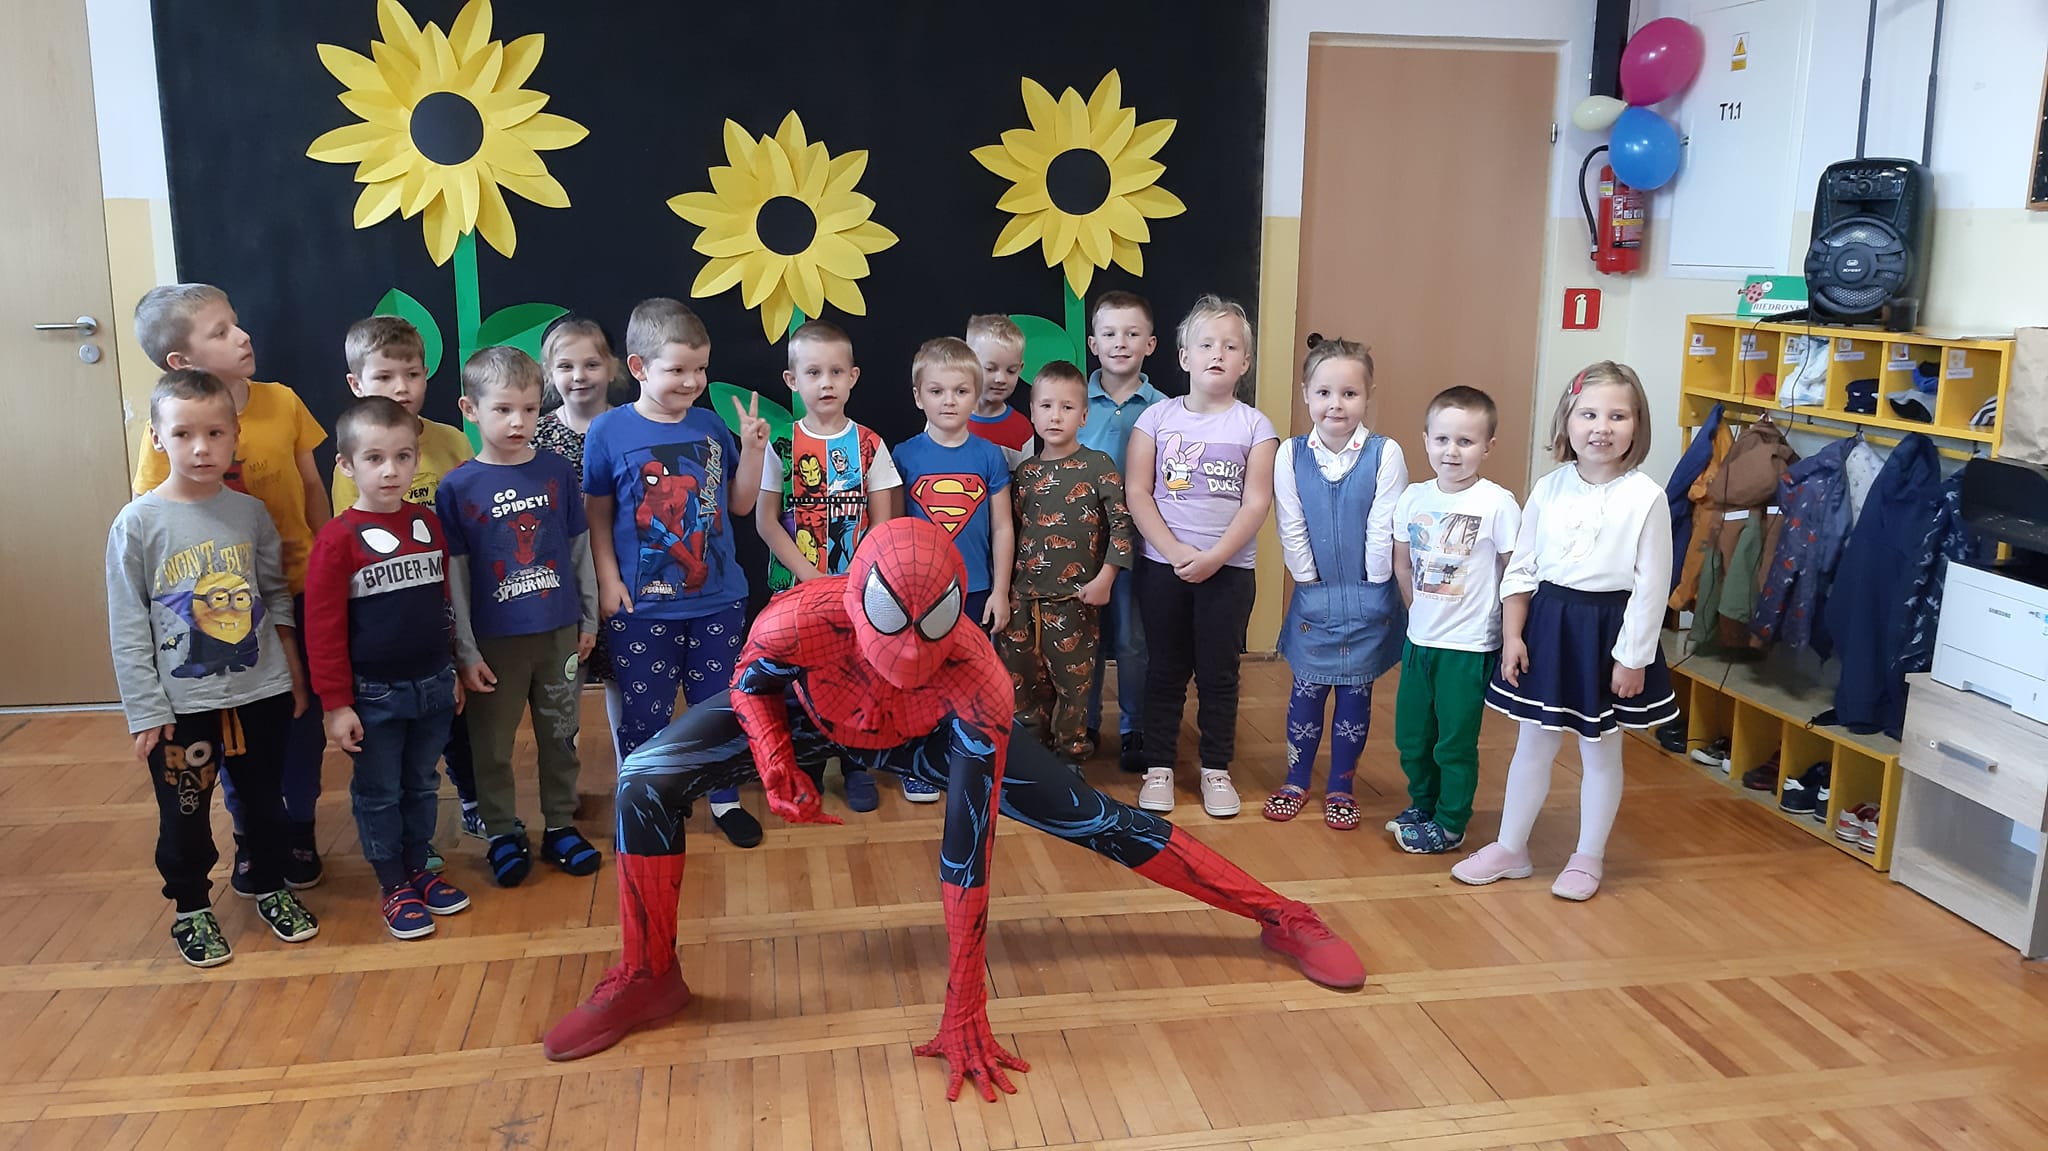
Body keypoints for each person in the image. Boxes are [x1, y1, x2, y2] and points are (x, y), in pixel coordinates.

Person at [539, 518, 1367, 1093]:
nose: (905, 652)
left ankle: (1283, 913)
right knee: (644, 777)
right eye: (888, 632)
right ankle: (648, 973)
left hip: (930, 732)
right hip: (814, 711)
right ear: (854, 601)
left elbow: (966, 855)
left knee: (1101, 819)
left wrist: (965, 1001)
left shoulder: (978, 679)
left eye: (924, 636)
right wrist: (777, 762)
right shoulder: (797, 619)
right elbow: (752, 686)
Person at [106, 369, 321, 966]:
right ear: (157, 438)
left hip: (260, 692)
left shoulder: (250, 514)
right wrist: (145, 709)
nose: (201, 448)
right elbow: (128, 625)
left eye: (215, 433)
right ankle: (191, 907)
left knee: (265, 802)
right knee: (185, 813)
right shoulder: (137, 523)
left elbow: (275, 595)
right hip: (182, 709)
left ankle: (270, 885)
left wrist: (292, 672)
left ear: (235, 436)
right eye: (183, 434)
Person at [1452, 362, 1679, 901]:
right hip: (1550, 627)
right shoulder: (1549, 487)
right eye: (1589, 414)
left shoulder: (1646, 497)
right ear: (1567, 421)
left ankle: (1587, 856)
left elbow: (1653, 587)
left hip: (1608, 634)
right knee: (1532, 742)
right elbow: (1522, 568)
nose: (1602, 427)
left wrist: (1633, 657)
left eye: (1617, 416)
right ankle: (1511, 847)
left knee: (1600, 750)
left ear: (1637, 425)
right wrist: (1514, 635)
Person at [130, 284, 330, 891]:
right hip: (215, 609)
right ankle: (250, 837)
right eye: (219, 332)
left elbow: (312, 486)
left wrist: (327, 561)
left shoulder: (282, 401)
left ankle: (298, 826)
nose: (242, 337)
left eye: (235, 324)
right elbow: (155, 512)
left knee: (298, 720)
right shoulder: (167, 428)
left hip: (292, 589)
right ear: (181, 361)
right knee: (232, 732)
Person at [584, 299, 771, 848]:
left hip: (718, 599)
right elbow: (596, 517)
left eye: (701, 369)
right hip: (642, 607)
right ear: (638, 367)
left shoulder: (710, 425)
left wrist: (753, 451)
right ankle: (650, 799)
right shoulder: (607, 431)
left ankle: (724, 797)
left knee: (718, 709)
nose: (692, 381)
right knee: (645, 713)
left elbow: (739, 504)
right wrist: (608, 581)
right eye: (678, 369)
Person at [304, 397, 473, 938]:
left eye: (403, 456)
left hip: (433, 685)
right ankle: (393, 882)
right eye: (374, 458)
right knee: (380, 790)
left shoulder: (428, 524)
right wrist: (336, 705)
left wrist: (451, 668)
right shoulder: (336, 540)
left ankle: (419, 866)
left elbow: (442, 605)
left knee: (422, 783)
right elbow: (322, 629)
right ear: (346, 465)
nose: (390, 470)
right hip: (373, 694)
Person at [436, 347, 603, 885]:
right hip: (494, 644)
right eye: (504, 409)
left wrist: (589, 618)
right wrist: (465, 650)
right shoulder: (457, 487)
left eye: (530, 410)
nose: (518, 422)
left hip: (557, 635)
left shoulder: (556, 471)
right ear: (470, 409)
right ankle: (503, 832)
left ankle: (560, 825)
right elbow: (457, 577)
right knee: (491, 745)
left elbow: (579, 549)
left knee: (561, 735)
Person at [330, 315, 481, 864]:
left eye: (412, 375)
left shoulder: (450, 440)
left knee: (455, 723)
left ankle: (472, 800)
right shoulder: (352, 459)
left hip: (444, 608)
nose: (401, 388)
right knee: (393, 754)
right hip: (387, 628)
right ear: (356, 384)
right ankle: (398, 853)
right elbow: (350, 545)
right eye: (385, 376)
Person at [1124, 295, 1277, 818]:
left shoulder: (1256, 427)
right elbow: (1138, 492)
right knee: (1165, 669)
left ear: (1245, 362)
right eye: (1206, 344)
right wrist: (1173, 552)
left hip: (1228, 573)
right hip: (1162, 569)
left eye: (1230, 347)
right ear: (1184, 356)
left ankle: (1215, 768)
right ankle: (1158, 767)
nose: (1218, 353)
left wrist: (1215, 557)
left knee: (1219, 673)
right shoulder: (1156, 418)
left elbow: (1256, 502)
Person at [755, 319, 901, 812]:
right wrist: (811, 577)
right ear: (792, 380)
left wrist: (858, 579)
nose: (826, 383)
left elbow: (884, 524)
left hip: (857, 592)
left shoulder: (870, 444)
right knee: (803, 679)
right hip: (797, 592)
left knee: (860, 677)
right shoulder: (781, 444)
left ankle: (857, 763)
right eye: (814, 373)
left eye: (837, 372)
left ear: (853, 377)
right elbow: (766, 522)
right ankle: (811, 763)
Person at [1265, 338, 1406, 831]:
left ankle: (1342, 785)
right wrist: (1309, 581)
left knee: (1355, 696)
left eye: (1349, 393)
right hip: (1315, 598)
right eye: (1324, 393)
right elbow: (1291, 523)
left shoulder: (1385, 453)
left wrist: (1372, 586)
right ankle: (1296, 779)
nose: (1336, 404)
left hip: (1370, 599)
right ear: (1306, 393)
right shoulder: (1290, 454)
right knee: (1306, 690)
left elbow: (1383, 525)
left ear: (1368, 395)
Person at [1388, 387, 1522, 853]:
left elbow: (1514, 572)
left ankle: (1449, 821)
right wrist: (1418, 614)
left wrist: (1511, 634)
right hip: (1420, 640)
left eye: (1466, 441)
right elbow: (1402, 565)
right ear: (1425, 440)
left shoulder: (1497, 503)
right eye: (1442, 439)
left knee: (1454, 741)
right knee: (1412, 736)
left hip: (1468, 647)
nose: (1452, 451)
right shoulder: (1412, 498)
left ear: (1487, 447)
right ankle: (1422, 804)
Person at [894, 337, 1015, 801]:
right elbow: (893, 532)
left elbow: (1003, 527)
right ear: (917, 396)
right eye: (937, 391)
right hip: (920, 596)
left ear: (976, 394)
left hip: (976, 591)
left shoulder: (989, 456)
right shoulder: (904, 455)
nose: (949, 401)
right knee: (918, 679)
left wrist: (1000, 591)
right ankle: (919, 762)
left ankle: (964, 758)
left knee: (968, 679)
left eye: (961, 391)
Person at [994, 360, 1134, 761]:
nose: (1055, 416)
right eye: (1046, 406)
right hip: (1023, 604)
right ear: (1032, 412)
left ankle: (1071, 758)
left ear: (1084, 416)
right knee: (1023, 687)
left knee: (1074, 689)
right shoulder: (1024, 474)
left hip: (1075, 603)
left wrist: (1106, 578)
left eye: (1067, 407)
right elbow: (1012, 532)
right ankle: (1031, 761)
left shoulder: (1098, 466)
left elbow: (1122, 525)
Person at [1079, 290, 1165, 772]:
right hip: (1079, 542)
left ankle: (1135, 728)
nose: (1120, 343)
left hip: (1138, 542)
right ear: (1093, 343)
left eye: (1132, 334)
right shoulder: (1073, 401)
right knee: (1086, 636)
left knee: (1133, 640)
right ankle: (1085, 722)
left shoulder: (1164, 409)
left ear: (1150, 344)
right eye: (1110, 333)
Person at [533, 315, 625, 760]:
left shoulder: (631, 426)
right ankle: (562, 780)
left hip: (623, 577)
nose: (579, 376)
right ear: (549, 373)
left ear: (612, 367)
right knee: (563, 684)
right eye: (566, 366)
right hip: (562, 585)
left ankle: (631, 771)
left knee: (625, 680)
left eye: (591, 364)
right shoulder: (535, 435)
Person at [964, 314, 1036, 468]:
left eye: (1011, 371)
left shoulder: (1021, 430)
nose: (1001, 379)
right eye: (990, 368)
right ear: (969, 363)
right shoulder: (944, 416)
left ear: (1020, 369)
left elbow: (1024, 479)